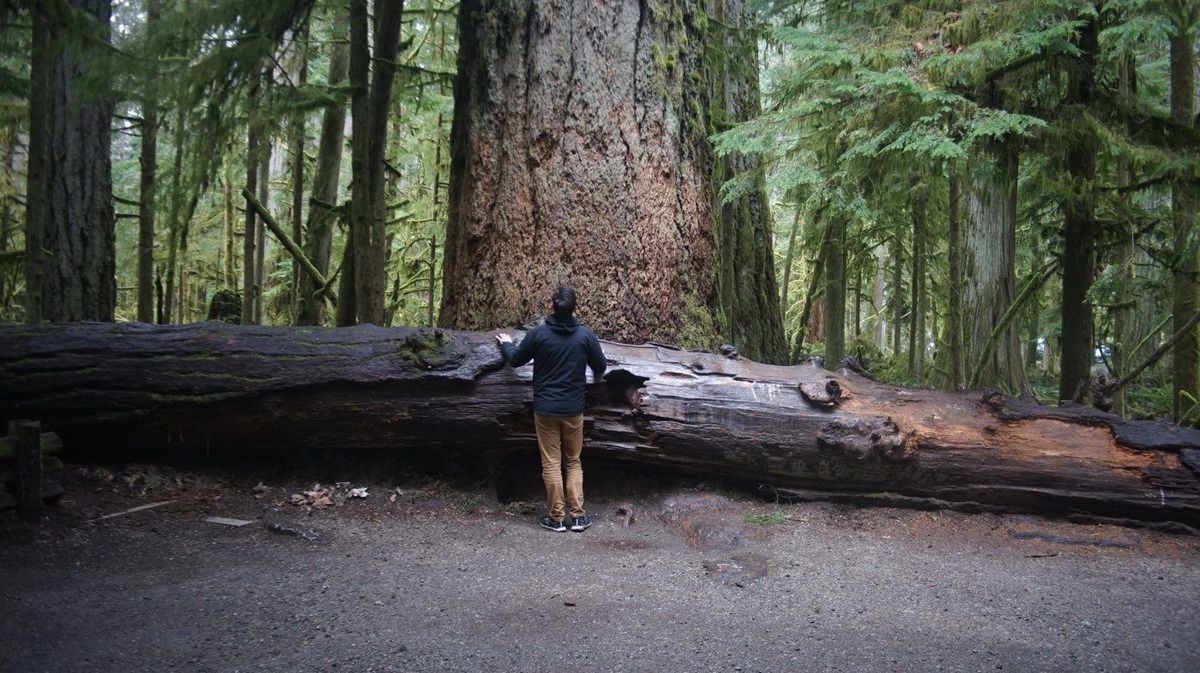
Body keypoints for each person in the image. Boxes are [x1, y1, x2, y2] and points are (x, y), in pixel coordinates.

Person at [496, 285, 607, 532]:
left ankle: (556, 518)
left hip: (545, 409)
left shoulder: (539, 335)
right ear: (574, 308)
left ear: (552, 307)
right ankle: (578, 516)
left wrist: (506, 344)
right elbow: (600, 366)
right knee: (573, 461)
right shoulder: (585, 336)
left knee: (551, 463)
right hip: (573, 409)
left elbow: (515, 359)